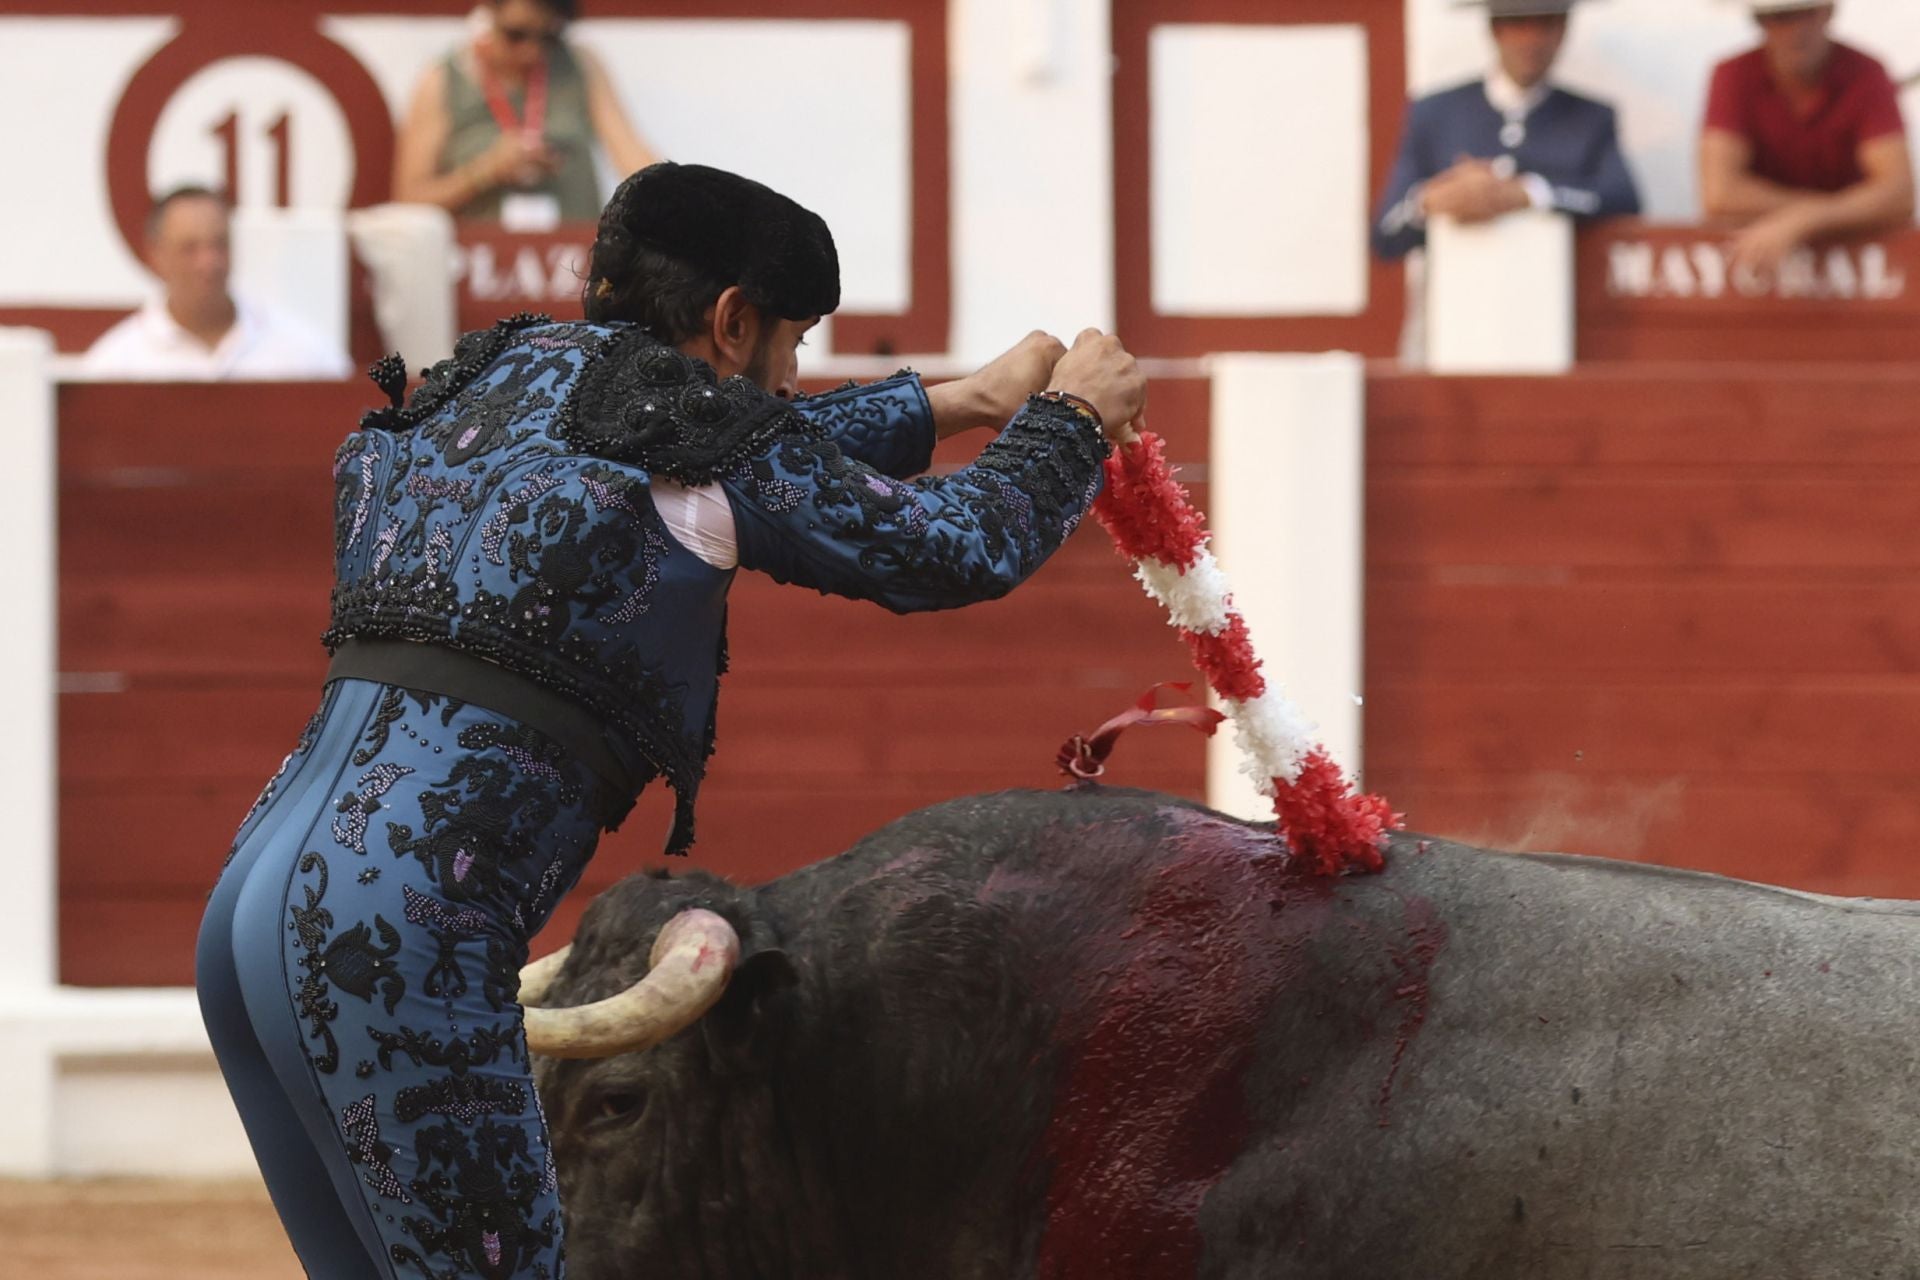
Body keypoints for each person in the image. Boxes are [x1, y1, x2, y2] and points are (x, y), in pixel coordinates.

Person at [195, 160, 1145, 1280]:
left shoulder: (505, 376)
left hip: (249, 917)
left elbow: (753, 451)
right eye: (792, 342)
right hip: (398, 936)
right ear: (732, 322)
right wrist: (1072, 423)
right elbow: (954, 545)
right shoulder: (691, 442)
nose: (790, 374)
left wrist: (959, 403)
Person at [1373, 0, 1640, 260]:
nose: (1531, 39)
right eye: (1518, 23)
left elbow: (1624, 202)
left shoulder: (1590, 118)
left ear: (1562, 30)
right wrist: (1430, 201)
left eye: (1546, 23)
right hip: (1459, 285)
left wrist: (1530, 193)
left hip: (1553, 284)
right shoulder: (1436, 113)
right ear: (1495, 29)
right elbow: (1384, 235)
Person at [393, 0, 658, 225]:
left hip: (572, 255)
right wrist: (484, 172)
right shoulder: (443, 80)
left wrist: (673, 197)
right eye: (516, 35)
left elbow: (631, 156)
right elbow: (409, 198)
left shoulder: (579, 65)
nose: (531, 52)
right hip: (482, 261)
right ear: (488, 12)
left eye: (549, 38)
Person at [1700, 0, 1914, 274]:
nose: (1797, 30)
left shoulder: (1867, 74)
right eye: (1782, 17)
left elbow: (1898, 194)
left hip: (1860, 277)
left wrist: (1805, 220)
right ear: (1760, 21)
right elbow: (1721, 195)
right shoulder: (1733, 75)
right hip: (1759, 272)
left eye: (1807, 13)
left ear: (1829, 12)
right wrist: (1820, 213)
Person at [82, 187, 351, 381]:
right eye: (189, 248)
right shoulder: (116, 366)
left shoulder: (303, 353)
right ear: (156, 255)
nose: (209, 262)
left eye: (219, 244)